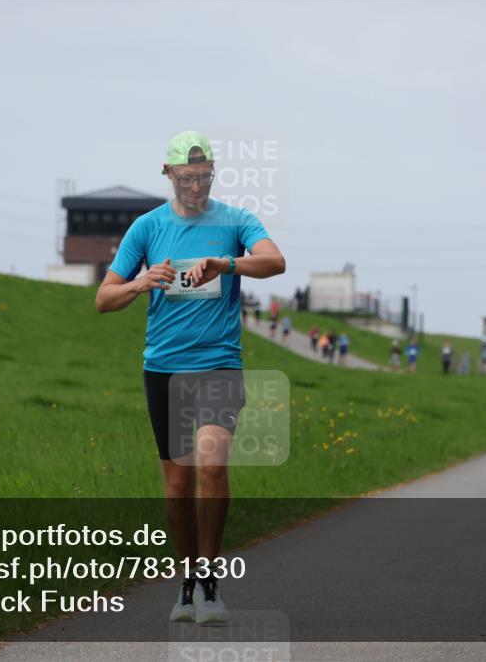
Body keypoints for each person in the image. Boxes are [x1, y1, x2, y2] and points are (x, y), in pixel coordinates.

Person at [95, 130, 286, 623]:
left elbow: (275, 261)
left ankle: (211, 582)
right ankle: (187, 580)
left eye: (203, 176)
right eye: (187, 176)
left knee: (212, 461)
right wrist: (141, 282)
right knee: (178, 484)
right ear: (169, 174)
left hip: (219, 364)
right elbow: (103, 299)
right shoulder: (147, 227)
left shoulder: (236, 220)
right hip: (164, 370)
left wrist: (227, 262)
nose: (196, 185)